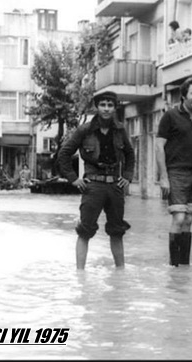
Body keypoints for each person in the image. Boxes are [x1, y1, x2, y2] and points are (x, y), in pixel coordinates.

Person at [57, 90, 135, 270]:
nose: (106, 109)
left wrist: (128, 177)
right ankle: (80, 274)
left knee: (117, 231)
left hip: (115, 186)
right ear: (97, 107)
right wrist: (73, 179)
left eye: (110, 105)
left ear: (115, 108)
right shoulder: (85, 130)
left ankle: (120, 274)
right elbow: (64, 153)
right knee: (85, 230)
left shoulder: (120, 130)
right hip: (92, 186)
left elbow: (130, 154)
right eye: (103, 105)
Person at [156, 77, 192, 266]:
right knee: (178, 217)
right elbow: (159, 146)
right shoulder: (170, 116)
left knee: (188, 219)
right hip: (176, 173)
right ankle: (173, 264)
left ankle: (183, 267)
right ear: (184, 95)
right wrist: (163, 177)